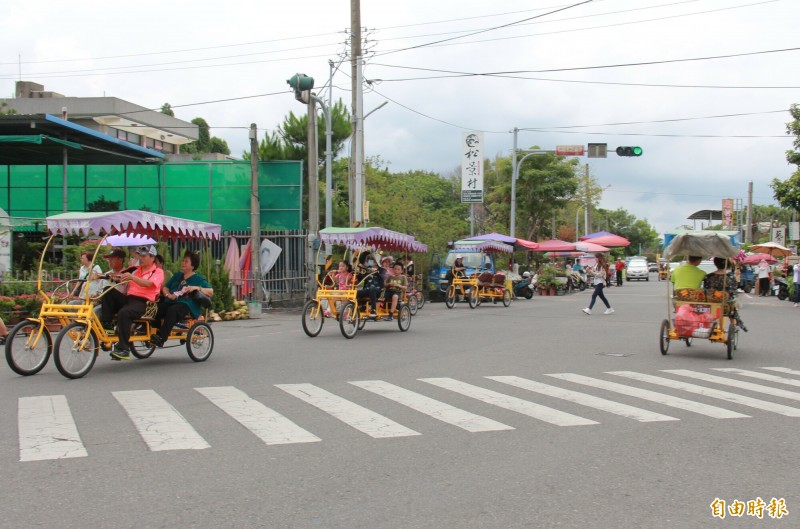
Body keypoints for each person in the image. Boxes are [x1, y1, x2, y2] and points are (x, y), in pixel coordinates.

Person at [101, 245, 164, 360]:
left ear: (152, 258)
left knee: (124, 313)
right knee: (107, 291)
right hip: (130, 299)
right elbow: (120, 277)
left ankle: (124, 348)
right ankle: (107, 326)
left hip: (145, 303)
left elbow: (148, 284)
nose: (141, 258)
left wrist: (132, 277)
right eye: (140, 255)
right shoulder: (135, 270)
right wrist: (102, 276)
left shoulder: (157, 271)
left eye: (144, 256)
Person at [150, 251, 213, 347]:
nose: (183, 263)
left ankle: (162, 338)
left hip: (187, 304)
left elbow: (210, 291)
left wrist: (197, 288)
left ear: (193, 266)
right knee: (155, 309)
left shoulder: (198, 279)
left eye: (186, 261)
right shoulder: (177, 276)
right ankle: (156, 331)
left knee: (172, 310)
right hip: (171, 301)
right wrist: (168, 295)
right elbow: (165, 288)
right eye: (183, 261)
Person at [704, 257, 747, 332]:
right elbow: (733, 292)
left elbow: (706, 289)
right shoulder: (731, 277)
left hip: (711, 303)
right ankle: (734, 325)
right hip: (726, 305)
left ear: (715, 263)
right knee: (732, 308)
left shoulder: (709, 276)